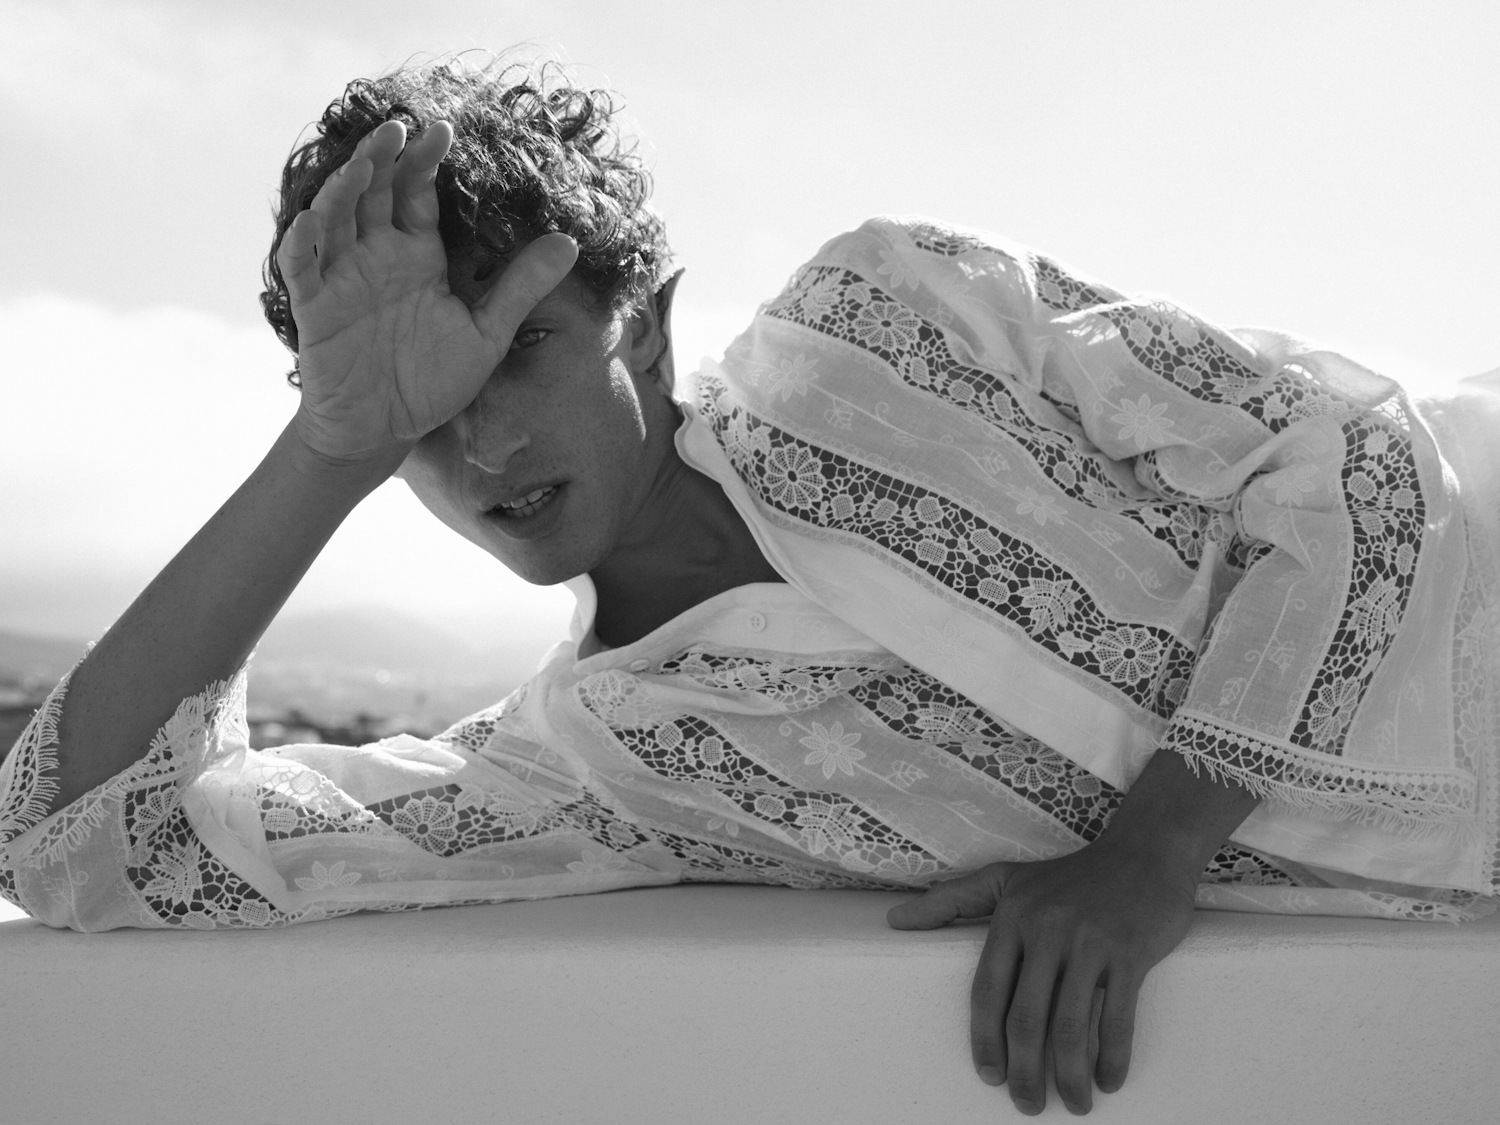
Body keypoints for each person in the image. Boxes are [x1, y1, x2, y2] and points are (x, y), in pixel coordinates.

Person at [2, 54, 1497, 1117]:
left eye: (517, 348)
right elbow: (74, 846)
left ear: (642, 327)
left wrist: (1155, 848)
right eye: (422, 412)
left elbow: (1356, 459)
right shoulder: (596, 765)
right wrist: (330, 447)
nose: (486, 442)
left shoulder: (891, 312)